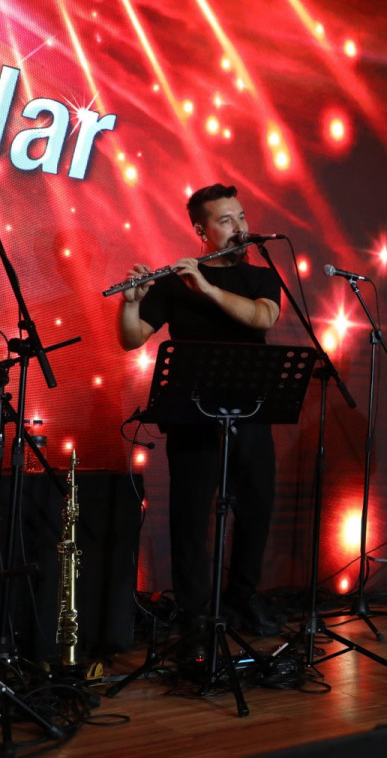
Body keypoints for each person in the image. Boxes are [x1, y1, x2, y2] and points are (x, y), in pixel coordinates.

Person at [116, 183, 284, 661]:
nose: (240, 228)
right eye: (226, 221)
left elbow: (263, 318)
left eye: (241, 216)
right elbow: (132, 338)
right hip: (193, 416)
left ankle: (242, 597)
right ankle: (194, 611)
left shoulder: (260, 276)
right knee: (190, 517)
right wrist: (131, 302)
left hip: (251, 413)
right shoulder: (174, 282)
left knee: (255, 509)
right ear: (201, 230)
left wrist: (207, 289)